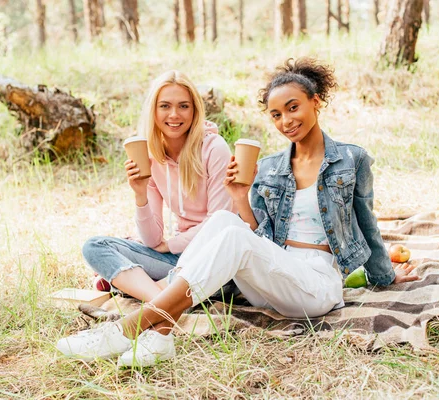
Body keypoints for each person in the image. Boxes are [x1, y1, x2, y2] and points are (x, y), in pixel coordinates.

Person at [57, 58, 419, 367]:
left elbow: (367, 223)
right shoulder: (270, 167)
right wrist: (241, 198)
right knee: (224, 221)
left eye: (293, 107)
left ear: (315, 101)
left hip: (315, 285)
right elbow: (255, 235)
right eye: (276, 114)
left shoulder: (351, 159)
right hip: (270, 274)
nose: (286, 120)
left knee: (226, 228)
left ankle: (131, 329)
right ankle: (160, 331)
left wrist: (384, 274)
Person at [80, 70, 234, 304]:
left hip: (216, 256)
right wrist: (140, 194)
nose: (174, 114)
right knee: (94, 247)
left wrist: (169, 245)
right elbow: (152, 240)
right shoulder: (151, 156)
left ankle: (139, 288)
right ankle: (162, 302)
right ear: (154, 110)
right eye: (165, 106)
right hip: (177, 258)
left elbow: (219, 223)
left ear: (194, 111)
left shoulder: (214, 149)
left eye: (183, 106)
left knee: (220, 279)